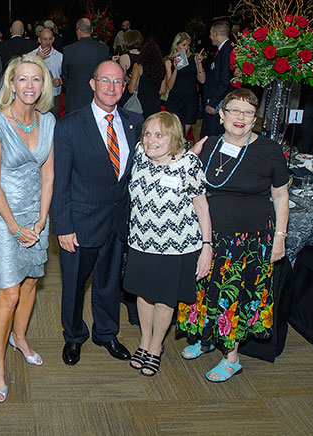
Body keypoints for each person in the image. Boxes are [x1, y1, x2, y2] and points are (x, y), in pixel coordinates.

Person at [177, 88, 289, 382]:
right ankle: (205, 339)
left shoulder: (269, 150)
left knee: (234, 297)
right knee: (205, 291)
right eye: (234, 111)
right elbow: (184, 182)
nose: (240, 117)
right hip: (208, 237)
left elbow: (280, 195)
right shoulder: (209, 145)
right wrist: (190, 156)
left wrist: (280, 237)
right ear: (222, 114)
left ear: (255, 118)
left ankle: (232, 358)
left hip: (247, 242)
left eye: (247, 112)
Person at [51, 60, 143, 366]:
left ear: (125, 85)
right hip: (80, 224)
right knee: (75, 285)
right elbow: (59, 181)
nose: (112, 87)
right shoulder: (69, 125)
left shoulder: (135, 123)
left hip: (118, 223)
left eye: (118, 82)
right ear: (93, 84)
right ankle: (74, 336)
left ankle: (106, 333)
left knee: (109, 283)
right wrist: (63, 226)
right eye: (105, 81)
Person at [0, 54, 55, 402]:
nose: (29, 86)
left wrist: (40, 221)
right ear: (11, 84)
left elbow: (48, 174)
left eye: (36, 79)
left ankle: (20, 337)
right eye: (22, 79)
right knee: (8, 294)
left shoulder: (49, 121)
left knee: (30, 284)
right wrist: (15, 228)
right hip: (4, 216)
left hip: (37, 216)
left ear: (44, 84)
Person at [123, 111, 212, 376]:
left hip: (176, 247)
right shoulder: (139, 153)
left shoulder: (189, 165)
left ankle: (155, 346)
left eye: (159, 135)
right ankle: (143, 340)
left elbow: (202, 206)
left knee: (164, 301)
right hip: (141, 242)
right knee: (143, 296)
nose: (151, 140)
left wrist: (206, 245)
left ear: (173, 137)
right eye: (148, 133)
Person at [61, 18, 109, 114]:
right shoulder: (104, 50)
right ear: (91, 30)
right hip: (97, 99)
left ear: (78, 30)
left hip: (74, 100)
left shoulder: (69, 50)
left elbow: (65, 76)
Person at [165, 32, 206, 138]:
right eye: (183, 45)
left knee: (184, 133)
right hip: (176, 99)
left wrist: (199, 63)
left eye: (188, 45)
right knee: (172, 131)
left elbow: (202, 80)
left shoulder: (194, 59)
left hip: (190, 99)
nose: (186, 48)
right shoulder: (169, 62)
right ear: (176, 45)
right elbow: (169, 85)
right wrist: (176, 69)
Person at [200, 20, 233, 139]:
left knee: (212, 137)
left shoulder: (227, 51)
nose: (210, 36)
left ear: (216, 32)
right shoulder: (222, 51)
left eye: (210, 33)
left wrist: (213, 103)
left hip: (217, 104)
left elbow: (224, 80)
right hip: (214, 101)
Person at [127, 40, 167, 119]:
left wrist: (129, 80)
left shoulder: (138, 66)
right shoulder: (162, 67)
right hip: (155, 106)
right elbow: (163, 90)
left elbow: (131, 89)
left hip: (140, 106)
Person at [29, 28, 63, 118]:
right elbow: (27, 74)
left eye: (50, 39)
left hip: (54, 97)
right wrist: (38, 59)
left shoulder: (60, 57)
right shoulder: (31, 56)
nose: (47, 42)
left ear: (53, 40)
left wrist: (60, 81)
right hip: (37, 96)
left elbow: (65, 76)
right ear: (39, 40)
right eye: (44, 39)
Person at [117, 30, 142, 108]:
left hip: (128, 95)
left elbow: (121, 79)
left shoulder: (124, 57)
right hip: (141, 94)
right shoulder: (145, 57)